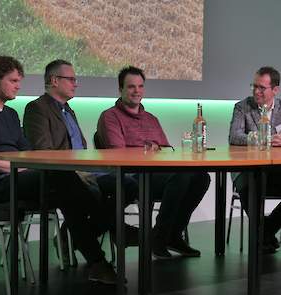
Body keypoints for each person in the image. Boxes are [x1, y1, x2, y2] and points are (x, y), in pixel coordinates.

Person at [0, 56, 118, 285]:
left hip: (21, 176)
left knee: (71, 194)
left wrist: (27, 166)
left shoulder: (10, 114)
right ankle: (112, 233)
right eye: (13, 80)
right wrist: (22, 167)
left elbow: (30, 154)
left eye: (19, 81)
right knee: (63, 179)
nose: (18, 86)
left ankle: (97, 262)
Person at [23, 60, 138, 276]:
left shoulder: (69, 111)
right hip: (63, 173)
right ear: (54, 81)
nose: (76, 84)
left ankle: (72, 234)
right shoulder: (37, 108)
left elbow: (81, 147)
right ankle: (112, 236)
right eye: (71, 79)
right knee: (77, 189)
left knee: (127, 183)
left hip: (86, 170)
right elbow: (42, 151)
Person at [97, 65, 210, 259]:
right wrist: (149, 148)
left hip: (158, 174)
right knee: (180, 177)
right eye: (131, 87)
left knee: (201, 177)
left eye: (140, 86)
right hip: (131, 176)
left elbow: (166, 149)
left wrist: (156, 149)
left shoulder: (151, 118)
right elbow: (119, 152)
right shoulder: (110, 117)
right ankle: (159, 237)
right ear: (120, 89)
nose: (137, 91)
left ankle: (173, 235)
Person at [229, 66, 281, 254]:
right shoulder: (243, 107)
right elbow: (234, 137)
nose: (256, 91)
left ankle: (265, 231)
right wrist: (265, 137)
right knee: (250, 184)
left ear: (275, 90)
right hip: (247, 170)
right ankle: (264, 235)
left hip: (275, 171)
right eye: (254, 86)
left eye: (261, 88)